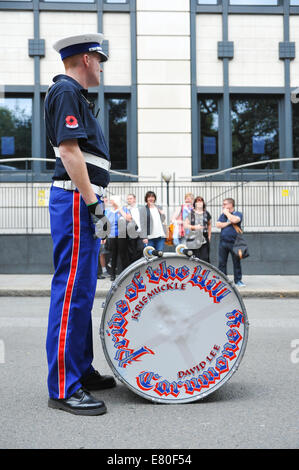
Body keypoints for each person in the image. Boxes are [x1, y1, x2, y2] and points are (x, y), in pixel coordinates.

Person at [44, 33, 116, 416]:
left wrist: (97, 199)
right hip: (75, 200)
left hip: (80, 199)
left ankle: (80, 370)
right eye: (100, 59)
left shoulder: (74, 95)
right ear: (87, 59)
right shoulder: (67, 92)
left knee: (82, 293)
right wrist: (93, 203)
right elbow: (69, 151)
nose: (102, 66)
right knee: (72, 292)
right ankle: (63, 387)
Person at [216, 198, 245, 287]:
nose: (223, 206)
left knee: (236, 262)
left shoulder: (238, 213)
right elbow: (218, 225)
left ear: (230, 205)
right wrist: (228, 222)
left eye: (225, 204)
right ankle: (223, 280)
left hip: (234, 242)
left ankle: (238, 280)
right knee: (222, 262)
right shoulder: (223, 215)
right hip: (223, 242)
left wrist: (227, 214)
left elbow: (235, 220)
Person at [105, 195, 130, 281]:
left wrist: (120, 208)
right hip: (112, 236)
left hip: (122, 235)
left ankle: (125, 274)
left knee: (123, 255)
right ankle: (112, 275)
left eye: (112, 201)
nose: (111, 202)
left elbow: (128, 218)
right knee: (113, 255)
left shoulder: (123, 209)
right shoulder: (108, 211)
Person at [184, 196, 211, 262]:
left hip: (204, 238)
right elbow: (185, 225)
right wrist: (195, 227)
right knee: (194, 257)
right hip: (193, 238)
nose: (199, 203)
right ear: (195, 203)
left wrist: (209, 236)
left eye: (201, 201)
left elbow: (209, 225)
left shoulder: (206, 213)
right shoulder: (191, 213)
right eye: (197, 201)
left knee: (205, 257)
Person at [125, 193, 144, 263]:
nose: (129, 200)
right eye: (128, 199)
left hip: (140, 232)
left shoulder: (141, 208)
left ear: (134, 199)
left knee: (141, 249)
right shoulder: (126, 209)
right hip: (131, 233)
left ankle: (137, 264)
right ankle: (133, 267)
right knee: (131, 252)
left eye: (131, 198)